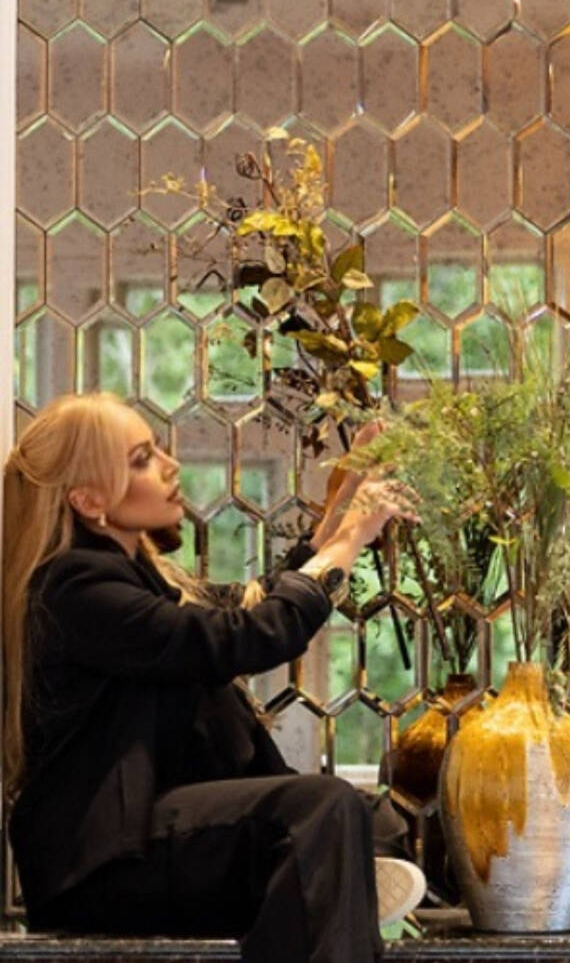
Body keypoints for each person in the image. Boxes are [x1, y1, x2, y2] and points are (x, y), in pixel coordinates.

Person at [2, 392, 425, 963]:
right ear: (88, 500)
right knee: (321, 812)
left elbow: (249, 607)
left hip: (153, 836)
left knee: (372, 822)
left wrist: (338, 513)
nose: (170, 465)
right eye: (142, 459)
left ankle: (333, 888)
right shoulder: (76, 587)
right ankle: (331, 889)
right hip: (102, 861)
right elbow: (244, 637)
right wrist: (350, 539)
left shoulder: (130, 580)